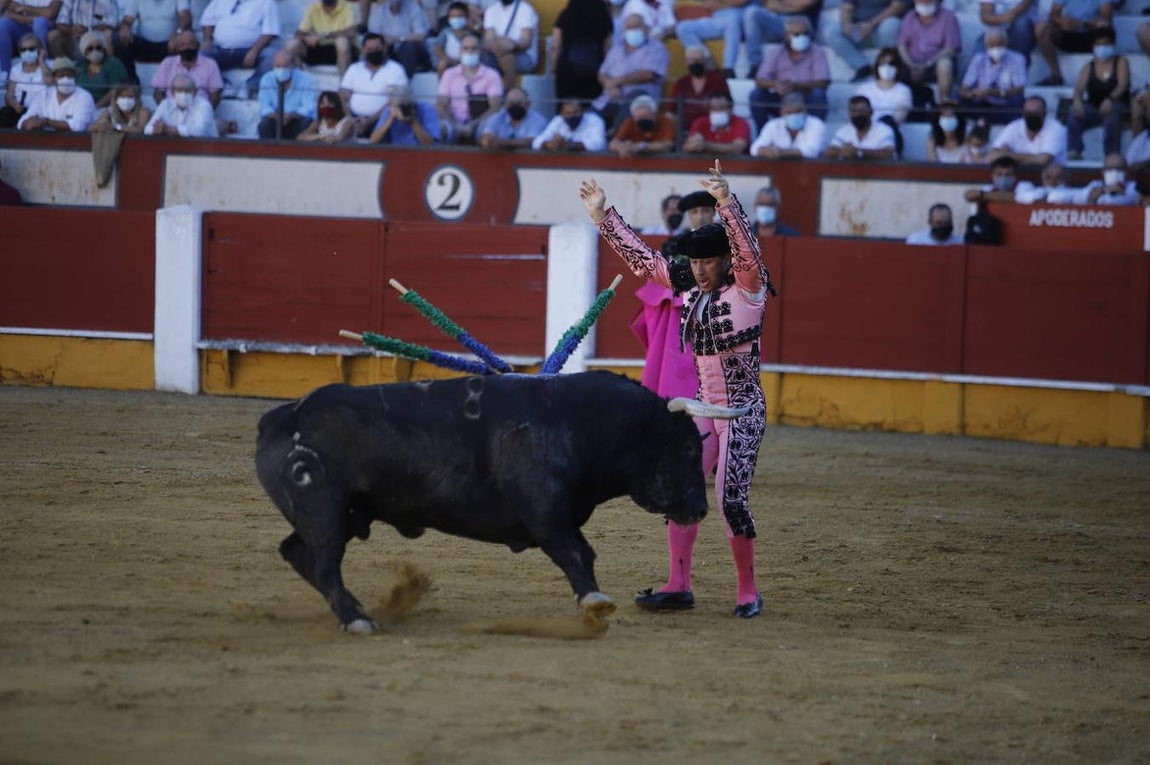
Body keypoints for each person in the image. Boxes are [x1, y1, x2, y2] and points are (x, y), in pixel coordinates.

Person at [579, 159, 774, 619]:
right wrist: (603, 218)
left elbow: (747, 249)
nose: (701, 270)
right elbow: (644, 261)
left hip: (743, 411)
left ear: (726, 262)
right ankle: (678, 584)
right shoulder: (688, 285)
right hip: (704, 408)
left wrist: (726, 203)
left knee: (730, 500)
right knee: (681, 489)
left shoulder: (748, 286)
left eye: (709, 261)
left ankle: (747, 591)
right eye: (695, 262)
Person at [749, 15, 830, 128]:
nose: (802, 37)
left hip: (806, 99)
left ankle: (816, 131)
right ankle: (762, 133)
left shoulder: (817, 51)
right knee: (756, 95)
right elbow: (760, 80)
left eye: (805, 34)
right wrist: (775, 84)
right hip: (781, 99)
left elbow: (823, 82)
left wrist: (796, 86)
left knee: (818, 95)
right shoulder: (776, 52)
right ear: (786, 35)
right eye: (797, 34)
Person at [593, 13, 668, 130]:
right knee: (589, 116)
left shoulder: (656, 48)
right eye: (629, 28)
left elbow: (649, 74)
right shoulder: (616, 48)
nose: (632, 31)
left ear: (645, 28)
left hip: (640, 100)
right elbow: (601, 74)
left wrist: (617, 81)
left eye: (636, 27)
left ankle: (617, 137)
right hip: (610, 97)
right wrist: (609, 85)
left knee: (637, 95)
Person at [1065, 26, 1129, 161]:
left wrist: (1110, 99)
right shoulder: (1089, 66)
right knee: (1072, 112)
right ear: (1093, 46)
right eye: (1098, 44)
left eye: (1106, 43)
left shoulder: (1121, 62)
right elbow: (1079, 90)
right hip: (1094, 109)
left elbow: (1123, 85)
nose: (1102, 47)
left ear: (1113, 44)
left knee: (1113, 113)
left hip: (1117, 106)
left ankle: (1111, 155)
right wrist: (1077, 101)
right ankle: (1074, 151)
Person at [199, 0, 282, 98]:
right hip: (221, 50)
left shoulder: (266, 3)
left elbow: (270, 32)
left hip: (251, 51)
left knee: (273, 56)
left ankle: (249, 86)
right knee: (201, 55)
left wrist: (255, 51)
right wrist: (207, 40)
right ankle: (224, 85)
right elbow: (207, 21)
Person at [436, 32, 502, 143]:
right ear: (460, 52)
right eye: (465, 48)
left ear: (480, 52)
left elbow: (495, 107)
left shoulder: (492, 75)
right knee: (440, 129)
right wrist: (455, 125)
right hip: (454, 122)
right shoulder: (449, 74)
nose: (470, 52)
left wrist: (473, 124)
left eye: (474, 48)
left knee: (490, 130)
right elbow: (441, 104)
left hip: (480, 123)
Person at [339, 34, 410, 137]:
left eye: (377, 48)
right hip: (354, 119)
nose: (373, 51)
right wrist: (350, 119)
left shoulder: (396, 69)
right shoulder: (354, 69)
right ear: (363, 51)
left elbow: (394, 101)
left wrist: (369, 122)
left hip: (382, 120)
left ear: (384, 49)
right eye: (370, 49)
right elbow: (343, 95)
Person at [822, 0, 907, 83]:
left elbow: (898, 7)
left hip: (880, 31)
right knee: (831, 32)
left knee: (892, 25)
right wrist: (846, 24)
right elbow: (846, 7)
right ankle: (862, 66)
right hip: (858, 29)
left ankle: (887, 64)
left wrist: (871, 24)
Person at [958, 27, 1027, 125]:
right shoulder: (978, 59)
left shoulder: (1017, 59)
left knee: (1020, 101)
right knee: (958, 97)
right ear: (986, 47)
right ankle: (983, 120)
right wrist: (972, 94)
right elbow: (965, 87)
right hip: (983, 103)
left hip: (1007, 103)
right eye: (992, 45)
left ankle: (985, 120)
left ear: (1006, 44)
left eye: (999, 45)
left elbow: (1020, 88)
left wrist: (993, 92)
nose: (996, 49)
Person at [1034, 0, 1113, 86]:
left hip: (1091, 36)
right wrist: (1062, 21)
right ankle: (1056, 74)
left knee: (1103, 26)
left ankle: (1101, 73)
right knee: (1041, 28)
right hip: (1068, 33)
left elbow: (1106, 17)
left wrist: (1081, 24)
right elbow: (1053, 15)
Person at [897, 0, 961, 103]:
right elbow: (902, 46)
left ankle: (944, 102)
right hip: (911, 65)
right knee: (892, 60)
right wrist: (912, 65)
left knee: (945, 64)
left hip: (934, 66)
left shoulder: (948, 17)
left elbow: (951, 48)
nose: (924, 3)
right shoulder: (909, 17)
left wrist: (927, 65)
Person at [742, 0, 823, 80]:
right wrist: (789, 6)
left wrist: (781, 5)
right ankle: (756, 65)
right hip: (779, 21)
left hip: (803, 22)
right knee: (752, 12)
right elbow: (770, 4)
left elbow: (805, 3)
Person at [550, 0, 613, 103]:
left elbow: (556, 46)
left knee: (565, 108)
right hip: (595, 68)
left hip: (567, 68)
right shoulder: (603, 14)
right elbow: (608, 48)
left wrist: (553, 70)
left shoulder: (566, 14)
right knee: (591, 109)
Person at [664, 45, 731, 139]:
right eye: (692, 60)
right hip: (684, 125)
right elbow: (671, 109)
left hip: (711, 124)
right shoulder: (681, 82)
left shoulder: (718, 80)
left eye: (699, 60)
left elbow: (728, 104)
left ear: (706, 61)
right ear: (687, 62)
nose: (695, 63)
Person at [115, 0, 191, 83]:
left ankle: (182, 83)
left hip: (170, 45)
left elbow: (185, 16)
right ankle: (131, 84)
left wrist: (178, 33)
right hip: (144, 46)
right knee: (119, 40)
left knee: (187, 41)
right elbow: (127, 20)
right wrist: (125, 27)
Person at [853, 46, 911, 153]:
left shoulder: (904, 90)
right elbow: (857, 113)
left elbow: (898, 118)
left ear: (898, 67)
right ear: (877, 66)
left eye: (891, 64)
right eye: (883, 64)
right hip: (865, 132)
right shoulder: (864, 88)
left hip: (890, 136)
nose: (887, 67)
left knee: (887, 121)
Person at [17, 56, 95, 131]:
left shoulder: (84, 97)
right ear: (53, 78)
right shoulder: (44, 95)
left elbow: (78, 126)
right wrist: (29, 123)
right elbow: (24, 120)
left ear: (75, 77)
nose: (66, 78)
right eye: (61, 75)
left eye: (69, 75)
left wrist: (47, 122)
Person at [675, 0, 749, 79]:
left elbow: (740, 1)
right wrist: (728, 4)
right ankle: (708, 64)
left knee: (733, 19)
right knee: (683, 28)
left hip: (741, 19)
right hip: (717, 20)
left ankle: (728, 69)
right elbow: (708, 5)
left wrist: (720, 3)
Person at [151, 29, 224, 109]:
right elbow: (157, 93)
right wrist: (166, 111)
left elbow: (216, 95)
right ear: (178, 48)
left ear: (198, 46)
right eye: (183, 45)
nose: (186, 48)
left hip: (199, 112)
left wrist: (206, 112)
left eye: (190, 44)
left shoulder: (210, 64)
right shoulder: (167, 63)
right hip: (172, 112)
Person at [286, 0, 357, 79]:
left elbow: (352, 32)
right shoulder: (313, 8)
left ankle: (344, 85)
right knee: (291, 45)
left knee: (342, 42)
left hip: (340, 52)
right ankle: (300, 84)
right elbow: (298, 33)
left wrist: (325, 35)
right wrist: (307, 38)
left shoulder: (346, 7)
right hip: (319, 49)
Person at [990, 95, 1067, 165]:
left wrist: (1007, 155)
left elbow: (1042, 161)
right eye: (1029, 113)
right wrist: (1032, 158)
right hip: (1019, 176)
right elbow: (993, 156)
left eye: (1036, 113)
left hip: (1049, 178)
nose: (1032, 116)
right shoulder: (1015, 126)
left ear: (1045, 114)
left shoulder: (1056, 129)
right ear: (1023, 114)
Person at [256, 49, 315, 140]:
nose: (281, 70)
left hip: (296, 118)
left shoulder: (305, 79)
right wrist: (279, 116)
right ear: (273, 65)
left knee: (306, 123)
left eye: (285, 66)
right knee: (265, 125)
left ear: (292, 66)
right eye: (278, 66)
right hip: (275, 118)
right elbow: (265, 107)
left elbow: (309, 107)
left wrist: (290, 116)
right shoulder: (267, 79)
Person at [749, 91, 827, 159]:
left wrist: (782, 152)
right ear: (782, 113)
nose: (794, 115)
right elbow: (754, 148)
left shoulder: (817, 124)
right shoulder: (773, 125)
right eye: (789, 112)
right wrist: (764, 151)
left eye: (798, 111)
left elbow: (812, 152)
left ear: (805, 110)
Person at [482, 0, 538, 91]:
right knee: (480, 54)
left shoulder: (526, 9)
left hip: (524, 56)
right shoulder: (491, 10)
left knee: (506, 53)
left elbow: (526, 42)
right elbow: (489, 39)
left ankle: (507, 88)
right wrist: (499, 45)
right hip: (496, 52)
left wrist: (512, 44)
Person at [368, 0, 432, 77]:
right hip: (388, 48)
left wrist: (397, 39)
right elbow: (373, 36)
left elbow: (420, 36)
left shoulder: (413, 7)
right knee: (374, 48)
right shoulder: (378, 9)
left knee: (409, 47)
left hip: (409, 50)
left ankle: (403, 82)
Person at [143, 71, 218, 136]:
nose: (183, 94)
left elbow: (198, 131)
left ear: (195, 91)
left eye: (187, 90)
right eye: (179, 90)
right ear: (172, 92)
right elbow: (147, 129)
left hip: (204, 148)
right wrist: (157, 129)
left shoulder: (204, 105)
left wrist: (168, 129)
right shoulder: (165, 104)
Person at [822, 94, 896, 160]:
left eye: (862, 111)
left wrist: (859, 152)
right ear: (849, 113)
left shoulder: (884, 130)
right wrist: (845, 151)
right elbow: (828, 152)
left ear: (871, 112)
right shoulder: (844, 130)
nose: (857, 114)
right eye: (853, 111)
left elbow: (888, 154)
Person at [477, 86, 549, 149]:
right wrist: (486, 141)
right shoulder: (497, 117)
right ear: (505, 105)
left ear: (528, 104)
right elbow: (486, 136)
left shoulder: (538, 120)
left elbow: (531, 142)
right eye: (511, 103)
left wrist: (501, 143)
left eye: (519, 103)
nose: (515, 107)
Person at [0, 33, 47, 128]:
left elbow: (49, 80)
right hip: (20, 109)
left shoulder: (48, 66)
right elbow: (9, 95)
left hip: (41, 111)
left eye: (31, 49)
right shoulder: (16, 70)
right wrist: (15, 105)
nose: (27, 52)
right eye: (23, 49)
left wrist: (42, 61)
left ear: (39, 50)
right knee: (5, 112)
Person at [369, 83, 442, 144]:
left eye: (408, 105)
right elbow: (373, 141)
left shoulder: (427, 109)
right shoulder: (389, 111)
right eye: (402, 105)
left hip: (422, 153)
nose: (405, 109)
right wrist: (390, 118)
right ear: (392, 104)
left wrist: (413, 121)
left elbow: (429, 144)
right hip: (397, 152)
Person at [683, 92, 751, 156]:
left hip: (735, 166)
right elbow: (688, 145)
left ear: (731, 109)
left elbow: (737, 148)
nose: (717, 112)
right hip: (705, 165)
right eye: (713, 108)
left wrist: (706, 145)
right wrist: (694, 144)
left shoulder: (741, 123)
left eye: (721, 108)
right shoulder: (700, 122)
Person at [607, 93, 675, 157]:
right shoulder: (629, 122)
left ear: (655, 115)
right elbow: (613, 144)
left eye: (647, 116)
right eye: (640, 117)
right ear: (634, 117)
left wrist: (641, 146)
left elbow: (668, 145)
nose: (643, 120)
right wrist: (621, 147)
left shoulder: (666, 122)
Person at [73, 29, 128, 108]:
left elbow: (115, 91)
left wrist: (96, 107)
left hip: (106, 108)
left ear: (104, 48)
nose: (95, 51)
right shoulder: (80, 64)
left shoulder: (114, 64)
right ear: (84, 51)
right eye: (90, 49)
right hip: (80, 106)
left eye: (98, 48)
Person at [0, 0, 59, 73]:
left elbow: (50, 13)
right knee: (3, 24)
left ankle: (43, 71)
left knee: (39, 23)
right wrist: (34, 18)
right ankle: (4, 74)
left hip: (44, 27)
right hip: (22, 27)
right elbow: (9, 14)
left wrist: (26, 8)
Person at [47, 0, 116, 59]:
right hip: (74, 37)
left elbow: (112, 22)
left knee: (108, 34)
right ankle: (64, 70)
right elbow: (60, 22)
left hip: (95, 37)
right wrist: (72, 30)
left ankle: (108, 70)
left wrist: (88, 29)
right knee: (54, 35)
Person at [531, 97, 606, 151]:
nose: (571, 116)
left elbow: (598, 144)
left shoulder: (594, 120)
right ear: (562, 114)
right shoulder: (558, 120)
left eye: (575, 112)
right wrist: (548, 144)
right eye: (568, 113)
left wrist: (569, 145)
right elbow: (536, 142)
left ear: (583, 111)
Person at [1069, 153, 1142, 205]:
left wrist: (1097, 195)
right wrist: (1103, 190)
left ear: (1126, 171)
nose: (1114, 172)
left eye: (1119, 168)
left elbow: (1114, 202)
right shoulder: (1096, 184)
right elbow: (1075, 198)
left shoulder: (1133, 187)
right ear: (1103, 171)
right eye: (1110, 169)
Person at [432, 2, 482, 75]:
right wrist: (448, 59)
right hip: (450, 62)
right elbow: (438, 49)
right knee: (442, 65)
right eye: (453, 16)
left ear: (466, 17)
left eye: (460, 16)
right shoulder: (446, 33)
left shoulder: (470, 34)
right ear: (449, 18)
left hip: (466, 61)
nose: (456, 19)